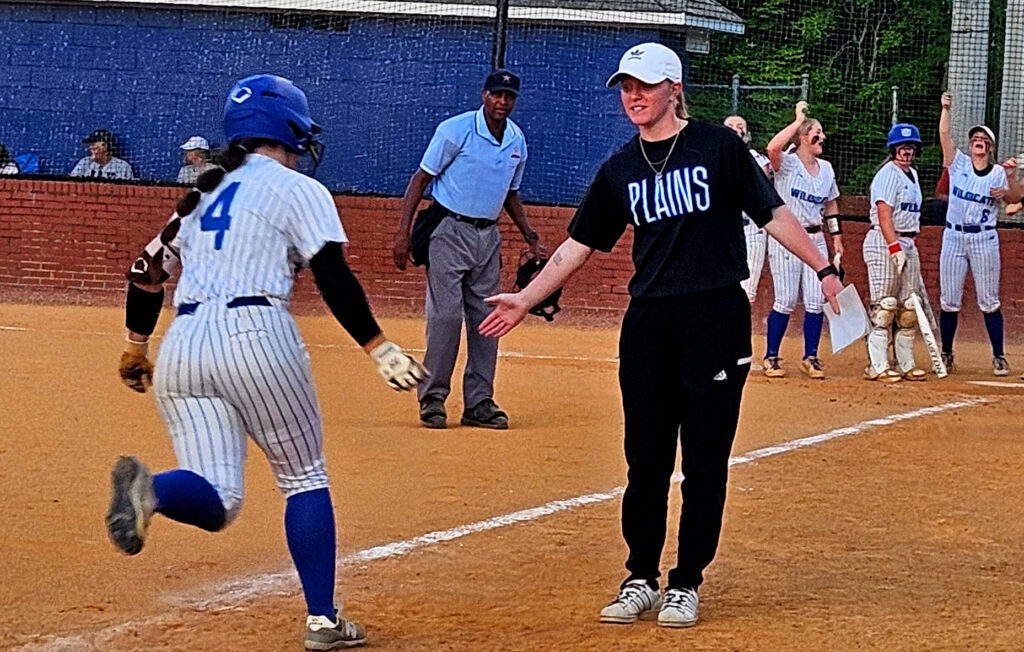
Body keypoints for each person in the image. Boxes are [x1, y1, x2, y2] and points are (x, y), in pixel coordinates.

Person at [478, 43, 843, 630]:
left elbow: (772, 213)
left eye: (644, 86)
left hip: (714, 319)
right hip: (649, 322)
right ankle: (640, 577)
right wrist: (527, 296)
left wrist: (823, 270)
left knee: (704, 459)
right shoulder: (620, 167)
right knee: (645, 458)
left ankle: (687, 581)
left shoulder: (718, 147)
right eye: (625, 87)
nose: (633, 96)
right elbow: (579, 244)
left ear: (674, 87)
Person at [106, 74, 426, 651]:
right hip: (256, 332)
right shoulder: (298, 189)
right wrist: (378, 346)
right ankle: (323, 621)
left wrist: (136, 345)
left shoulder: (201, 193)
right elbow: (332, 275)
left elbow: (144, 271)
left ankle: (152, 490)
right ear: (290, 128)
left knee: (218, 498)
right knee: (303, 476)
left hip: (184, 342)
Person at [392, 68, 544, 430]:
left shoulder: (517, 141)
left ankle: (478, 402)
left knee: (487, 319)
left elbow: (510, 193)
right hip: (448, 229)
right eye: (496, 95)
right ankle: (432, 397)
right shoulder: (455, 130)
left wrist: (531, 236)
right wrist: (402, 233)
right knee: (445, 317)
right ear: (484, 95)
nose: (502, 102)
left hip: (487, 237)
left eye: (509, 97)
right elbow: (421, 179)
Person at [937, 92, 1022, 374]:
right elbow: (944, 135)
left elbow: (1013, 201)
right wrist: (945, 109)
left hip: (984, 237)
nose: (978, 143)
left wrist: (1007, 184)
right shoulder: (959, 163)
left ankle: (998, 355)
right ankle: (947, 352)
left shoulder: (998, 172)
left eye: (984, 141)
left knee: (989, 300)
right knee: (949, 300)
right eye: (975, 139)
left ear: (990, 148)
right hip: (953, 236)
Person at [762, 102, 843, 379]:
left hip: (815, 236)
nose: (821, 138)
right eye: (816, 133)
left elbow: (831, 204)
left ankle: (811, 356)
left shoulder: (827, 168)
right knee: (785, 299)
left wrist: (837, 239)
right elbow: (772, 148)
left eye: (822, 133)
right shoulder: (787, 163)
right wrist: (798, 121)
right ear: (803, 138)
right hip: (786, 238)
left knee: (815, 300)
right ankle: (771, 356)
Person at [863, 123, 932, 382]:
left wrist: (905, 247)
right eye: (902, 148)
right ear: (893, 150)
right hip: (884, 241)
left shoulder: (912, 175)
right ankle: (877, 364)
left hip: (907, 242)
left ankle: (906, 363)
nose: (907, 152)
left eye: (911, 147)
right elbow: (884, 214)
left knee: (908, 308)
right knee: (885, 306)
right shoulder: (887, 174)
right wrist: (894, 247)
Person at [723, 115, 772, 304]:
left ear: (747, 134)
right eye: (730, 126)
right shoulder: (712, 156)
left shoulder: (758, 160)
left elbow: (761, 182)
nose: (736, 129)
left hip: (751, 227)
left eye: (740, 126)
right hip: (723, 227)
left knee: (746, 291)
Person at [70, 129, 135, 180]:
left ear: (105, 146)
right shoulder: (84, 162)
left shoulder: (122, 167)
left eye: (94, 145)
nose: (90, 148)